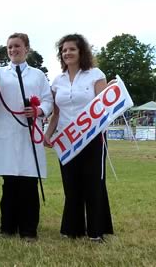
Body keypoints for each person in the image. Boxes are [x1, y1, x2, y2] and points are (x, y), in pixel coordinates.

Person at [0, 33, 53, 240]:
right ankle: (7, 228)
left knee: (28, 183)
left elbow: (48, 101)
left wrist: (39, 111)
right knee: (9, 184)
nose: (13, 50)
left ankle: (28, 230)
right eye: (10, 47)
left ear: (27, 48)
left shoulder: (38, 75)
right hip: (6, 134)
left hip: (28, 134)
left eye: (17, 46)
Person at [44, 33, 114, 242]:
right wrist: (48, 135)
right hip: (67, 140)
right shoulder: (57, 81)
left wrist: (112, 91)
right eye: (64, 50)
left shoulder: (95, 74)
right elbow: (56, 114)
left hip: (93, 138)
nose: (67, 53)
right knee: (71, 186)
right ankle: (72, 229)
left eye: (71, 49)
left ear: (81, 51)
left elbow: (104, 106)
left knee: (93, 184)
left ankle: (96, 232)